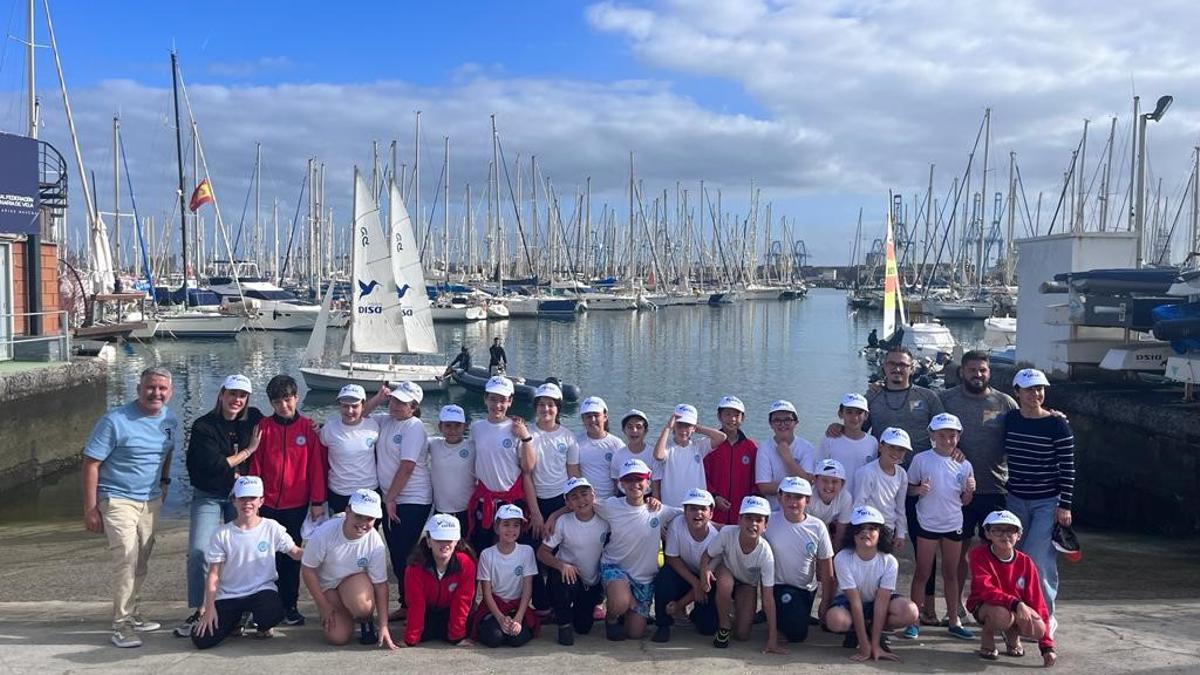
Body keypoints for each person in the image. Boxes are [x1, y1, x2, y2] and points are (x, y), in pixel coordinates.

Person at [82, 366, 180, 648]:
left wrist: (163, 482)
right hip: (116, 498)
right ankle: (120, 624)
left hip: (150, 499)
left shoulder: (169, 419)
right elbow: (91, 463)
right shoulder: (114, 421)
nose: (156, 393)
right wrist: (90, 508)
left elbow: (168, 451)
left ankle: (133, 610)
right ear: (138, 389)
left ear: (170, 392)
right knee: (126, 557)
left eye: (162, 388)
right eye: (150, 387)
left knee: (142, 559)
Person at [177, 373, 265, 637]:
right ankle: (201, 607)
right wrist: (248, 451)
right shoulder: (204, 425)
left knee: (241, 552)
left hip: (241, 498)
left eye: (242, 395)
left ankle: (239, 608)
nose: (236, 400)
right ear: (221, 394)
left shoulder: (254, 418)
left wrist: (315, 429)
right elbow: (214, 465)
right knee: (199, 552)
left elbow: (280, 427)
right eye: (232, 394)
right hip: (209, 494)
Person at [939, 350, 1017, 616]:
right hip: (957, 492)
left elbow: (1027, 421)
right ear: (962, 372)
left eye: (982, 370)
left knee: (993, 552)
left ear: (989, 372)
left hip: (995, 488)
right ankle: (956, 604)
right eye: (972, 370)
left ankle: (991, 602)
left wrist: (1053, 416)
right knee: (957, 552)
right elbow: (924, 428)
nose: (977, 375)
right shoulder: (945, 399)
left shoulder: (1005, 402)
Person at [248, 374, 327, 628]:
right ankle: (262, 606)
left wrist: (317, 501)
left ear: (296, 398)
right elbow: (256, 465)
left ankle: (290, 605)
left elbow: (316, 467)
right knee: (264, 556)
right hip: (268, 503)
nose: (284, 405)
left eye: (288, 399)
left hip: (297, 504)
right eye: (278, 401)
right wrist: (254, 498)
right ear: (271, 403)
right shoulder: (264, 427)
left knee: (292, 557)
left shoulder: (307, 428)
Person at [191, 476, 302, 649]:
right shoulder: (222, 533)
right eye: (242, 498)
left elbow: (295, 553)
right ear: (234, 501)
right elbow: (213, 574)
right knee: (201, 639)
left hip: (261, 591)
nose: (247, 503)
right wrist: (208, 607)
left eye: (252, 498)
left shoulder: (272, 527)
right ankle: (235, 620)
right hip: (229, 594)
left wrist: (323, 548)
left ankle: (262, 623)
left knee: (272, 613)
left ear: (261, 501)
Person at [1004, 368, 1075, 621]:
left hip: (1047, 501)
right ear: (1017, 393)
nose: (1036, 393)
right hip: (1015, 499)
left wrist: (1064, 505)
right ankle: (1019, 613)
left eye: (1040, 389)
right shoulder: (1010, 420)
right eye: (1030, 389)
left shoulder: (1057, 424)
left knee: (1039, 558)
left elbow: (1068, 467)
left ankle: (1045, 616)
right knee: (1015, 555)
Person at [593, 458, 682, 641]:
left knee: (635, 634)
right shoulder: (611, 505)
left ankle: (626, 611)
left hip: (644, 578)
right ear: (621, 483)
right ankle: (611, 618)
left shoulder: (658, 510)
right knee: (620, 602)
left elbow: (690, 514)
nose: (634, 484)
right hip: (614, 567)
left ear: (647, 482)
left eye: (639, 479)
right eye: (629, 480)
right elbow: (582, 504)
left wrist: (727, 528)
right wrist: (554, 517)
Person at [905, 413, 976, 641]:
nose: (947, 440)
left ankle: (954, 619)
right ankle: (913, 620)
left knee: (952, 574)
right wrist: (919, 491)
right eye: (942, 435)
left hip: (953, 523)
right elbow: (908, 488)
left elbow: (965, 502)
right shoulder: (921, 459)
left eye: (952, 436)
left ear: (959, 436)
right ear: (932, 435)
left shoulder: (964, 465)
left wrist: (970, 490)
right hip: (927, 522)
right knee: (922, 572)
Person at [300, 489, 396, 649]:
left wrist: (384, 626)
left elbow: (380, 585)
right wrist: (323, 605)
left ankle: (365, 618)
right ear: (347, 511)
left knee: (363, 606)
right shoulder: (324, 533)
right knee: (337, 638)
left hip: (355, 583)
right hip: (329, 587)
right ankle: (346, 616)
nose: (363, 523)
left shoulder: (375, 542)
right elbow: (308, 569)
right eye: (358, 516)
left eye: (370, 518)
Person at [825, 506, 918, 663]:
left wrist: (874, 645)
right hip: (849, 604)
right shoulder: (842, 558)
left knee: (910, 611)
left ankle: (873, 632)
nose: (865, 533)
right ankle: (859, 633)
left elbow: (882, 602)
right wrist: (864, 645)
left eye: (872, 528)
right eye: (859, 528)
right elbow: (854, 601)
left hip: (877, 603)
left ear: (880, 533)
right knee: (836, 620)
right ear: (851, 533)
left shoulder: (889, 561)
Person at [967, 510, 1056, 666]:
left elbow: (1038, 601)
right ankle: (987, 636)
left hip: (1015, 608)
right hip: (986, 606)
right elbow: (985, 589)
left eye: (1010, 530)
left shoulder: (1026, 562)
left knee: (1038, 627)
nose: (1004, 535)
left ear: (1019, 535)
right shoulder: (978, 555)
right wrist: (1016, 604)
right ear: (987, 534)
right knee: (1001, 615)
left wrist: (1047, 647)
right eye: (997, 530)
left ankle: (1012, 633)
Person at [700, 495, 786, 654]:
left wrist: (772, 639)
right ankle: (724, 625)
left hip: (747, 584)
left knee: (742, 634)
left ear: (765, 525)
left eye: (759, 520)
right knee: (725, 583)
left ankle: (732, 610)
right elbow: (707, 555)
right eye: (748, 518)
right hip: (726, 572)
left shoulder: (766, 553)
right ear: (739, 520)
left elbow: (768, 598)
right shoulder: (727, 533)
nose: (753, 523)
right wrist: (704, 572)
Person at [376, 381, 432, 620]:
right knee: (397, 553)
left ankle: (416, 603)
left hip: (411, 499)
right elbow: (361, 415)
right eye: (394, 400)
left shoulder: (414, 427)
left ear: (413, 407)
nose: (395, 405)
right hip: (393, 497)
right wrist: (379, 398)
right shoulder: (385, 420)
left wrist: (390, 498)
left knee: (404, 554)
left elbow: (407, 466)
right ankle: (408, 603)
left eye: (402, 402)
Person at [466, 376, 536, 556]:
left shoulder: (516, 428)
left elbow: (528, 467)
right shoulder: (476, 427)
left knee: (512, 552)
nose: (497, 405)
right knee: (481, 550)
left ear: (510, 402)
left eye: (503, 400)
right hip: (485, 500)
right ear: (485, 399)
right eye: (493, 399)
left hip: (511, 500)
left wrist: (525, 437)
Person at [763, 476, 835, 643]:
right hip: (778, 586)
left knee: (798, 626)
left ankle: (788, 615)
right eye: (788, 496)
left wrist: (825, 602)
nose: (793, 502)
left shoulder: (817, 526)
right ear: (780, 497)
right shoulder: (769, 521)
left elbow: (826, 564)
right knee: (797, 634)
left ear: (808, 500)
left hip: (806, 590)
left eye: (798, 497)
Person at [538, 477, 609, 645]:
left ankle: (577, 612)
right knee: (561, 577)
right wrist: (561, 565)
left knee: (583, 628)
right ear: (568, 503)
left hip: (591, 582)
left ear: (593, 495)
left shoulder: (605, 519)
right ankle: (563, 623)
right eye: (574, 497)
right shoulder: (562, 522)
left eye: (584, 494)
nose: (581, 500)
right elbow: (542, 553)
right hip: (568, 577)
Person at [652, 487, 720, 643]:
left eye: (703, 509)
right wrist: (695, 583)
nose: (698, 513)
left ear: (711, 513)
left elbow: (706, 581)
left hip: (705, 579)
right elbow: (671, 558)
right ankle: (663, 624)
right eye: (692, 508)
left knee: (707, 629)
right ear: (684, 511)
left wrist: (680, 604)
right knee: (665, 575)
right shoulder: (677, 524)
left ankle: (696, 614)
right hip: (683, 575)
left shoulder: (717, 538)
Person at [402, 513, 477, 647]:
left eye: (449, 539)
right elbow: (415, 603)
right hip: (428, 611)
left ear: (456, 541)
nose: (444, 544)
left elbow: (462, 600)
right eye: (438, 540)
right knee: (424, 633)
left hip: (450, 612)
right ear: (429, 541)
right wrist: (411, 639)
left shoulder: (466, 564)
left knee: (469, 627)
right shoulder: (415, 567)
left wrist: (457, 637)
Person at [473, 504, 539, 648]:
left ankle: (514, 623)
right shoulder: (487, 554)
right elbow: (487, 593)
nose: (511, 529)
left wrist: (519, 618)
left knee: (516, 638)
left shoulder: (526, 552)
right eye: (506, 524)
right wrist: (501, 618)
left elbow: (527, 589)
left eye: (516, 525)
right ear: (497, 528)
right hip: (495, 606)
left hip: (517, 605)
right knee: (494, 638)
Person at [320, 385, 381, 514]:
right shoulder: (329, 429)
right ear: (339, 406)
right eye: (345, 406)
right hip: (339, 492)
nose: (349, 410)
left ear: (363, 406)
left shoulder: (374, 425)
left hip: (369, 491)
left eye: (355, 406)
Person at [652, 404, 727, 508]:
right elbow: (658, 456)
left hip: (696, 507)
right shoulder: (667, 448)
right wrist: (668, 428)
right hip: (671, 507)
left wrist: (698, 428)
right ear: (674, 426)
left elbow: (722, 437)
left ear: (693, 427)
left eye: (687, 426)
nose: (683, 431)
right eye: (680, 425)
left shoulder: (699, 446)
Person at [852, 428, 910, 551]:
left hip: (888, 529)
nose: (896, 452)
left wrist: (900, 533)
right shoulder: (867, 472)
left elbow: (900, 507)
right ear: (880, 447)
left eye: (901, 449)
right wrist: (860, 530)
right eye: (892, 447)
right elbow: (859, 503)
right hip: (867, 526)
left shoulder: (902, 474)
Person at [705, 395, 759, 525]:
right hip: (714, 513)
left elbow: (756, 480)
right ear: (719, 416)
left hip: (742, 514)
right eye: (727, 414)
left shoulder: (751, 447)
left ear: (743, 418)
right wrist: (714, 496)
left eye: (736, 415)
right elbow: (701, 475)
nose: (732, 419)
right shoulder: (708, 445)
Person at [756, 400, 816, 511]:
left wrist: (787, 458)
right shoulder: (764, 448)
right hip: (772, 510)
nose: (782, 424)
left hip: (800, 510)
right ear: (770, 424)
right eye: (777, 420)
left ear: (796, 422)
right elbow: (764, 487)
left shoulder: (806, 447)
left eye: (787, 420)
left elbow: (808, 482)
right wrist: (796, 488)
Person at [814, 393, 878, 498]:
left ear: (866, 415)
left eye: (859, 413)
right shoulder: (829, 439)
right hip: (834, 501)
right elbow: (817, 472)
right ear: (840, 414)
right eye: (849, 412)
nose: (854, 417)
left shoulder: (873, 442)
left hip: (861, 501)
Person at [428, 405, 476, 533]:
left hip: (466, 510)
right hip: (440, 509)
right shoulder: (433, 444)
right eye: (448, 425)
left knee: (466, 548)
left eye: (457, 425)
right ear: (440, 427)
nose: (452, 430)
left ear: (465, 426)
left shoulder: (472, 446)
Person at [576, 396, 627, 500]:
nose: (593, 420)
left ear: (605, 416)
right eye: (588, 416)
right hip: (586, 503)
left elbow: (622, 476)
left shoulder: (617, 444)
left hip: (611, 501)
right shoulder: (576, 443)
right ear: (583, 419)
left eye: (596, 415)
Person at [610, 408, 657, 495]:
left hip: (647, 497)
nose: (634, 430)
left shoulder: (653, 453)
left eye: (638, 427)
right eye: (630, 427)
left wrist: (655, 499)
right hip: (623, 497)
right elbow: (616, 483)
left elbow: (656, 483)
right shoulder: (618, 455)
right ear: (624, 430)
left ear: (645, 431)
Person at [807, 459, 854, 546]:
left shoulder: (846, 497)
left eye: (835, 481)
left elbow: (841, 531)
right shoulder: (808, 496)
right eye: (825, 480)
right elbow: (805, 528)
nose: (829, 486)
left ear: (842, 484)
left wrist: (834, 555)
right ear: (815, 480)